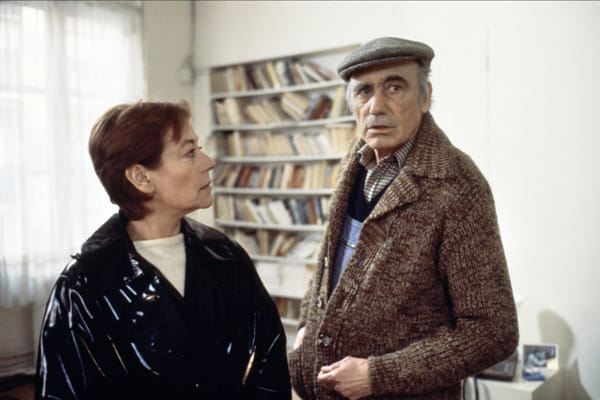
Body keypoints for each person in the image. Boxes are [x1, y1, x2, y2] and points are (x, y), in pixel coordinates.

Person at [288, 37, 519, 400]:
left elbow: (494, 331)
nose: (376, 106)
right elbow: (328, 264)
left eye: (394, 87)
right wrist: (306, 328)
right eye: (364, 91)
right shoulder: (355, 161)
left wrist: (377, 376)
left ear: (426, 97)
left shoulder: (457, 184)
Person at [35, 100, 291, 399]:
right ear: (141, 177)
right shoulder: (84, 284)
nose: (209, 162)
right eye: (189, 152)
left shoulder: (227, 256)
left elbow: (268, 371)